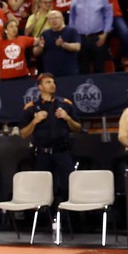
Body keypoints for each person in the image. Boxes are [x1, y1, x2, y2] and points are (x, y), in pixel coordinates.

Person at [19, 73, 81, 204]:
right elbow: (23, 133)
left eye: (53, 82)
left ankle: (70, 219)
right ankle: (44, 220)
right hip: (42, 154)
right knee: (42, 189)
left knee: (69, 187)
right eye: (48, 82)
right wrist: (34, 121)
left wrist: (68, 118)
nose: (52, 84)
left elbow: (77, 127)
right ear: (40, 87)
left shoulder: (65, 104)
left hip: (62, 152)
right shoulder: (31, 108)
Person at [68, 0, 114, 74]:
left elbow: (108, 16)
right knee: (83, 67)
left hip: (98, 36)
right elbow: (71, 18)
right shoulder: (75, 0)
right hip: (81, 38)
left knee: (99, 66)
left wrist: (105, 34)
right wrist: (73, 36)